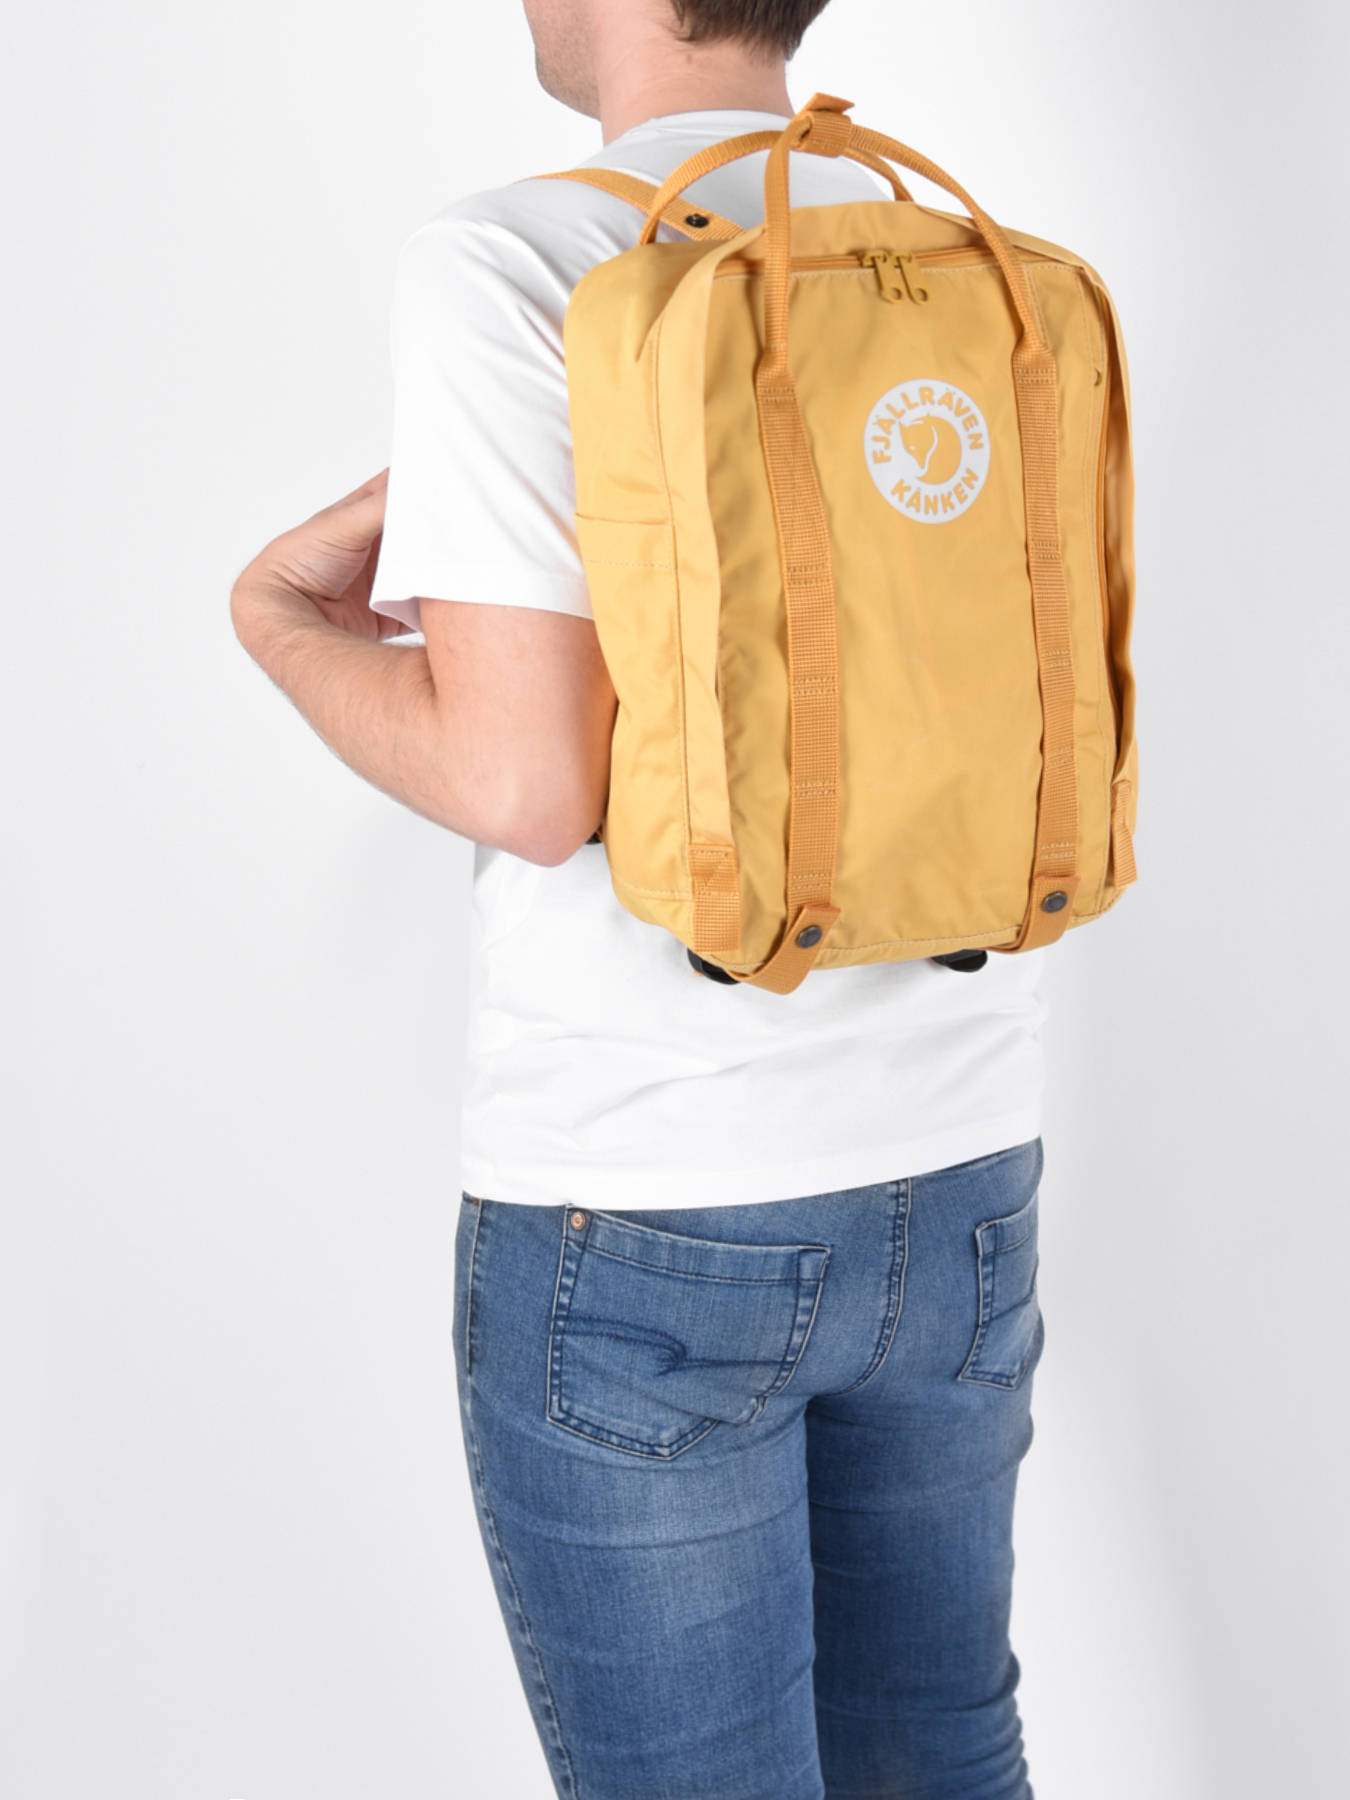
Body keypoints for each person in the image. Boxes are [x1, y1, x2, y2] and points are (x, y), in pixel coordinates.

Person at [230, 3, 1050, 1795]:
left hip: (652, 1199)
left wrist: (276, 621)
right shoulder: (944, 246)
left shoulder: (518, 255)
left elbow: (528, 787)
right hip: (963, 1165)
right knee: (942, 1753)